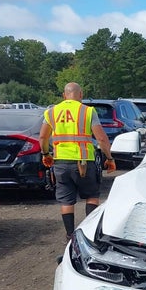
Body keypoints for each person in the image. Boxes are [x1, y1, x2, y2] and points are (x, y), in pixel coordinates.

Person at [39, 82, 116, 238]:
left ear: (64, 95)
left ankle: (69, 235)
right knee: (92, 196)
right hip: (84, 162)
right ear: (81, 94)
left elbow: (43, 137)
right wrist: (109, 158)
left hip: (60, 162)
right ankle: (90, 233)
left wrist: (46, 154)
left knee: (66, 200)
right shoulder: (87, 111)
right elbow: (101, 139)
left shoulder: (51, 112)